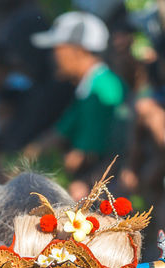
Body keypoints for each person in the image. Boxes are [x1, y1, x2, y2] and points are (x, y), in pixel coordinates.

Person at [23, 11, 126, 179]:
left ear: (78, 50)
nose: (51, 56)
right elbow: (56, 135)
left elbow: (85, 156)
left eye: (56, 49)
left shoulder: (101, 90)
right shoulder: (89, 87)